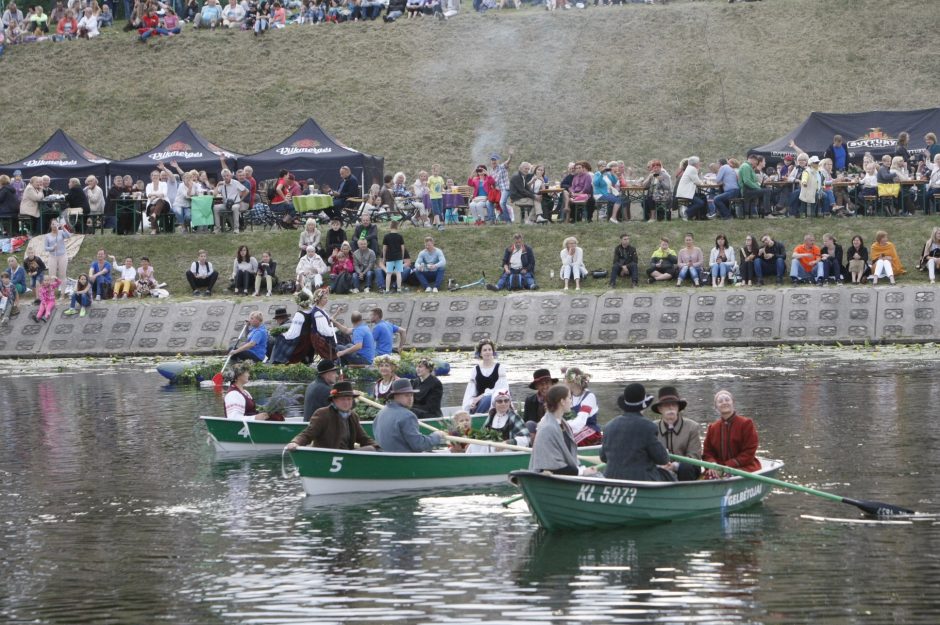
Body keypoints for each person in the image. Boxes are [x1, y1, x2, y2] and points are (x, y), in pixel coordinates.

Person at [601, 382, 674, 482]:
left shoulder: (609, 426)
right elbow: (662, 459)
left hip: (610, 478)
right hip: (640, 480)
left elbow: (603, 457)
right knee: (668, 475)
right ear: (643, 406)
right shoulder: (648, 426)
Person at [286, 381, 378, 451]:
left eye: (349, 399)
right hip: (327, 456)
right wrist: (295, 442)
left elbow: (363, 438)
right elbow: (307, 434)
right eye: (342, 399)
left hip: (347, 456)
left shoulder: (353, 416)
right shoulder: (322, 414)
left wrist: (377, 447)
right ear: (334, 400)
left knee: (371, 448)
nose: (346, 402)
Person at [528, 384, 597, 476]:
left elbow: (567, 455)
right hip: (550, 478)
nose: (571, 401)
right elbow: (552, 465)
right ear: (562, 401)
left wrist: (581, 468)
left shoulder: (562, 424)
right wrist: (581, 472)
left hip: (564, 474)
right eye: (569, 398)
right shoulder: (547, 427)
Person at [372, 378, 446, 452]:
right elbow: (419, 445)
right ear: (395, 396)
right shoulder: (407, 416)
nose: (410, 398)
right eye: (406, 395)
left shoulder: (381, 413)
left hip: (386, 459)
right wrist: (436, 436)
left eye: (411, 395)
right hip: (404, 461)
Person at [702, 389, 760, 476]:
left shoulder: (746, 423)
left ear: (733, 402)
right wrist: (712, 464)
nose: (724, 402)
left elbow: (749, 451)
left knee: (728, 476)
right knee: (708, 476)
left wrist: (728, 465)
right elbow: (707, 452)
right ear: (716, 407)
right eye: (720, 401)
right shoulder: (712, 428)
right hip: (719, 468)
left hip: (744, 467)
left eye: (727, 400)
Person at [650, 386, 702, 481]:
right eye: (666, 405)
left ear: (678, 408)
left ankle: (686, 494)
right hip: (661, 469)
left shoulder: (692, 427)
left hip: (687, 471)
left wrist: (675, 466)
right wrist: (660, 465)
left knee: (686, 467)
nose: (670, 407)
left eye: (673, 404)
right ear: (660, 409)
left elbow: (695, 456)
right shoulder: (652, 428)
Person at [462, 338, 507, 414]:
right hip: (479, 403)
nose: (488, 352)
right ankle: (475, 415)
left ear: (493, 352)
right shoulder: (475, 370)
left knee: (489, 398)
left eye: (490, 349)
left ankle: (478, 415)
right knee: (474, 404)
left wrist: (480, 397)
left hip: (497, 402)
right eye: (485, 350)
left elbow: (501, 390)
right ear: (480, 353)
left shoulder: (500, 368)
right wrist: (471, 403)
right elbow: (470, 392)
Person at [564, 367, 602, 446]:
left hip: (589, 434)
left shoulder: (589, 397)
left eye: (565, 378)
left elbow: (580, 422)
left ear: (572, 381)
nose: (563, 381)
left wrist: (563, 427)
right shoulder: (568, 396)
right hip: (571, 429)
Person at [43, 219, 70, 298]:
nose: (54, 226)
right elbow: (45, 248)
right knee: (52, 275)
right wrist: (52, 248)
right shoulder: (47, 236)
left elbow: (68, 235)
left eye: (55, 224)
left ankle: (62, 294)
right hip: (52, 257)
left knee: (62, 274)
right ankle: (52, 294)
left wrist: (63, 227)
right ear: (50, 225)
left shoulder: (61, 233)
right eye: (52, 224)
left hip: (62, 256)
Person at [215, 169, 248, 234]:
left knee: (235, 208)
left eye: (227, 175)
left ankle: (236, 229)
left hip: (235, 203)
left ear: (230, 176)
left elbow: (246, 191)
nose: (226, 177)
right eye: (224, 176)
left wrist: (241, 200)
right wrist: (217, 185)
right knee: (215, 207)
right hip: (225, 204)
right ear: (222, 177)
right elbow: (214, 194)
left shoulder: (235, 182)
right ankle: (217, 229)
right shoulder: (221, 184)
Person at [676, 156, 707, 220]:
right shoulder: (692, 169)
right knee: (700, 203)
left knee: (703, 196)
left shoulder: (689, 168)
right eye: (699, 162)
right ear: (696, 163)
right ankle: (686, 213)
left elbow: (696, 180)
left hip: (686, 192)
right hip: (685, 193)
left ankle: (702, 216)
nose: (700, 164)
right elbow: (697, 182)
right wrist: (704, 182)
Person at [382, 219, 405, 293]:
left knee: (389, 273)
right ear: (397, 227)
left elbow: (384, 248)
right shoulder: (400, 236)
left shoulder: (386, 236)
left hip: (390, 257)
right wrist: (402, 256)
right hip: (398, 256)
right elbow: (402, 248)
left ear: (390, 226)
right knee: (398, 273)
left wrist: (384, 257)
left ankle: (387, 289)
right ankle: (399, 289)